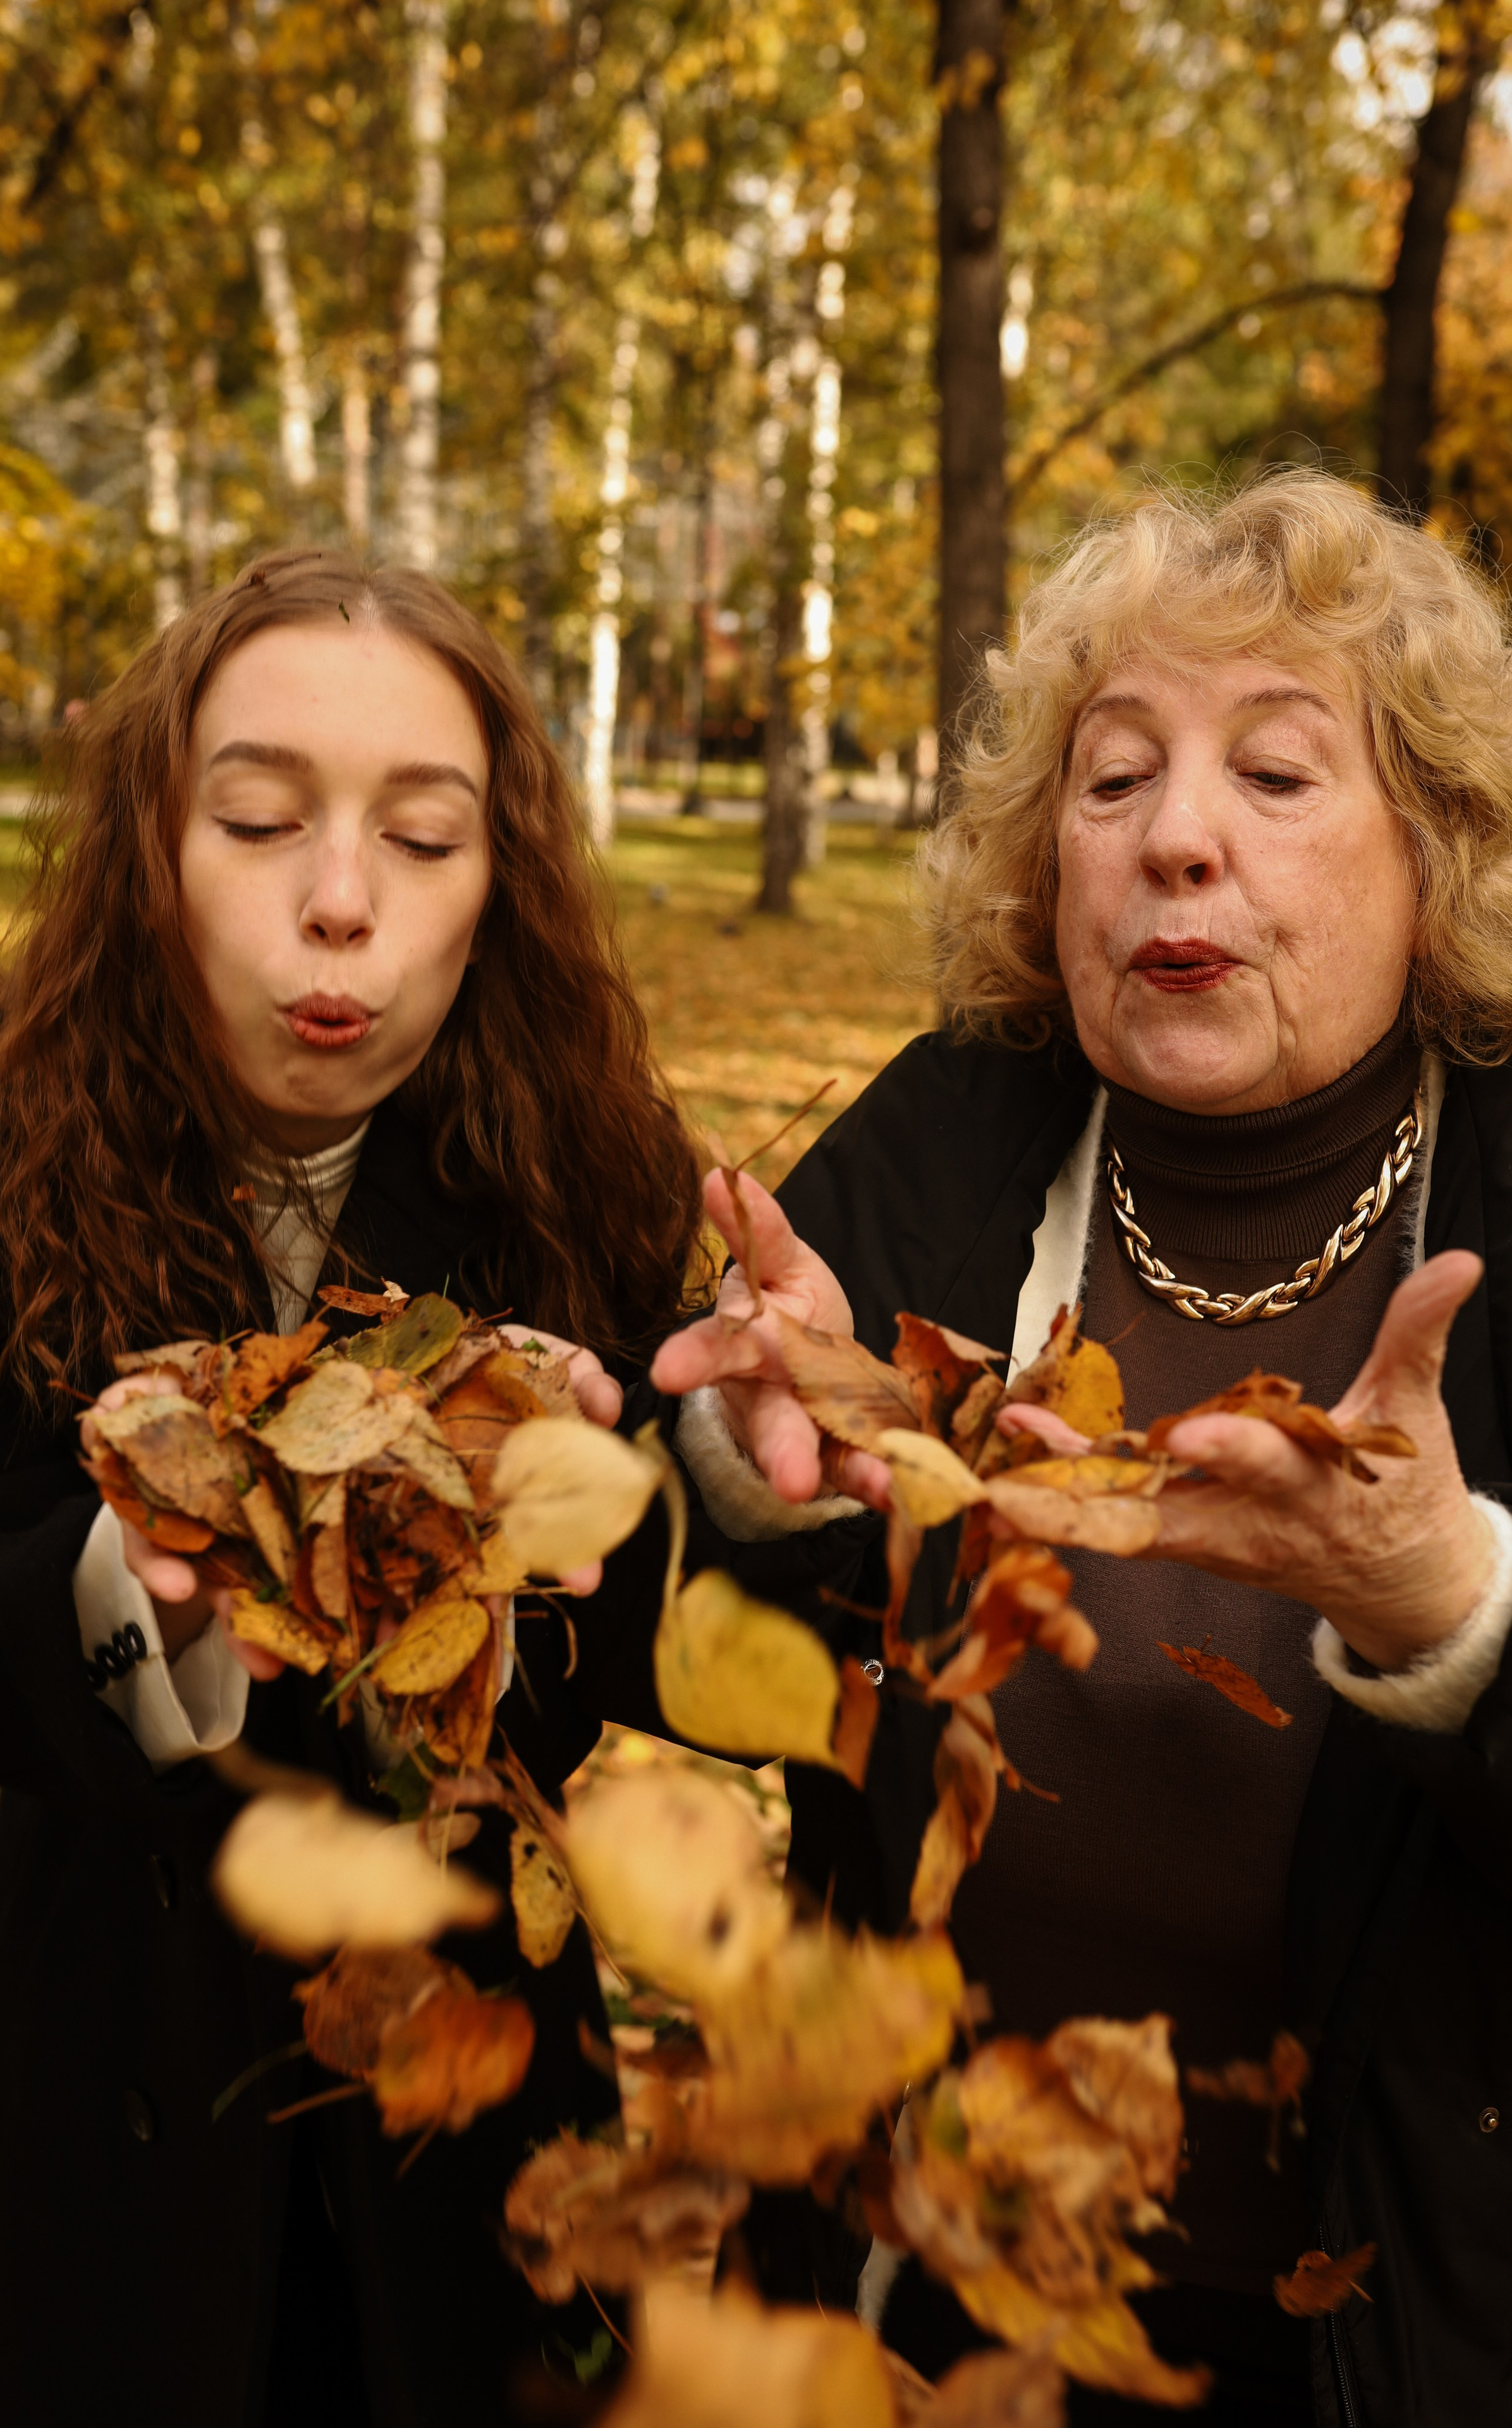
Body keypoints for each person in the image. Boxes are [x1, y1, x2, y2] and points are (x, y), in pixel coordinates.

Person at [650, 472, 1512, 2427]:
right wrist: (749, 1454)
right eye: (1114, 781)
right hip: (915, 2298)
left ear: (1439, 847)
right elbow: (687, 1615)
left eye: (1275, 776)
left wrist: (1456, 1618)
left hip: (1396, 2342)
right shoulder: (957, 1134)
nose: (1175, 839)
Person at [0, 550, 698, 2427]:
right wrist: (123, 1590)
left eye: (423, 839)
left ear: (500, 885)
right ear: (151, 853)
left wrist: (622, 1504)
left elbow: (645, 1652)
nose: (341, 901)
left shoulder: (588, 1171)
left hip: (475, 2131)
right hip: (117, 2109)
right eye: (259, 821)